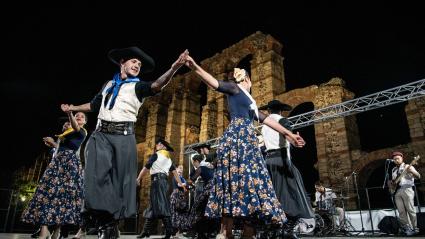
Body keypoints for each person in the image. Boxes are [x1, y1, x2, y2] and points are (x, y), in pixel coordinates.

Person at [61, 47, 188, 239]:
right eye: (134, 61)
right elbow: (94, 105)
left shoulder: (138, 87)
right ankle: (100, 219)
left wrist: (174, 68)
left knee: (120, 182)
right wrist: (73, 108)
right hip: (100, 134)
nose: (137, 65)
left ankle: (110, 224)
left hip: (124, 136)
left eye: (140, 64)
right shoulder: (109, 84)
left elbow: (156, 85)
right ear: (123, 62)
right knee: (94, 176)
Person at [184, 55, 306, 238]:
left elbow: (267, 119)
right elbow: (215, 83)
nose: (237, 77)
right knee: (232, 180)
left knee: (251, 182)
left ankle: (249, 229)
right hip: (237, 137)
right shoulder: (235, 89)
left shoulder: (251, 101)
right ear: (248, 79)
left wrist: (289, 134)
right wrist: (195, 67)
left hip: (249, 142)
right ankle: (225, 230)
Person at [22, 111, 87, 239]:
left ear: (84, 122)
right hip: (57, 164)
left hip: (69, 165)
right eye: (76, 115)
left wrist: (70, 113)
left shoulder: (82, 131)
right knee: (48, 193)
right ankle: (49, 229)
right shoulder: (65, 135)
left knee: (63, 196)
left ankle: (50, 229)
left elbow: (72, 146)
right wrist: (54, 146)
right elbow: (60, 150)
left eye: (82, 116)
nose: (78, 117)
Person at [259, 100, 314, 237]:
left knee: (274, 195)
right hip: (281, 160)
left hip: (268, 162)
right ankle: (287, 229)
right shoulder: (283, 120)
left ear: (268, 111)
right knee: (292, 193)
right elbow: (288, 135)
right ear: (281, 110)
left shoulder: (264, 125)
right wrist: (295, 141)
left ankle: (274, 228)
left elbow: (264, 145)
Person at [136, 139, 186, 239]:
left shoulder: (156, 155)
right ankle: (146, 230)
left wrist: (138, 178)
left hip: (157, 182)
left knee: (161, 205)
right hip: (163, 182)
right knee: (153, 205)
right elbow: (175, 173)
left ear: (163, 147)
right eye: (158, 143)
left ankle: (169, 230)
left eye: (159, 144)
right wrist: (181, 184)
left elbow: (146, 167)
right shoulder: (168, 159)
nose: (157, 145)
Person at [186, 154, 217, 239]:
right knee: (210, 212)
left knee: (198, 210)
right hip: (214, 192)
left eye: (194, 163)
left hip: (207, 191)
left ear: (197, 161)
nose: (194, 165)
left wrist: (185, 183)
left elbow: (191, 180)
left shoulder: (201, 168)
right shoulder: (212, 168)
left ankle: (199, 233)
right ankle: (208, 232)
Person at [390, 151, 421, 236]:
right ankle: (407, 228)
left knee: (410, 209)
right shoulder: (394, 170)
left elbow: (418, 176)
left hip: (407, 189)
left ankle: (415, 228)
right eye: (394, 159)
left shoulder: (407, 166)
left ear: (402, 159)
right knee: (401, 211)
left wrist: (412, 171)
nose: (396, 160)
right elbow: (394, 182)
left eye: (397, 158)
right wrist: (392, 185)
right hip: (397, 192)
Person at [169, 165, 189, 237]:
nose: (181, 170)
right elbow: (179, 184)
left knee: (181, 214)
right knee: (175, 214)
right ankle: (174, 233)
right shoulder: (176, 177)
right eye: (180, 168)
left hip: (181, 196)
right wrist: (187, 183)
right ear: (176, 169)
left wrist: (187, 185)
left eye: (182, 169)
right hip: (176, 196)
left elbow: (185, 186)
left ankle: (178, 232)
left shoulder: (182, 178)